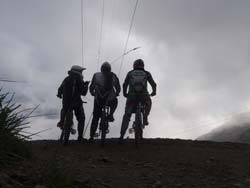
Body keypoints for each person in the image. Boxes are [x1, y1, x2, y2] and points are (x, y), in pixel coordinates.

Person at [119, 59, 157, 143]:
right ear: (143, 66)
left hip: (131, 96)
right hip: (144, 96)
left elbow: (124, 84)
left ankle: (121, 136)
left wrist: (125, 93)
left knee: (127, 116)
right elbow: (153, 84)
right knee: (148, 102)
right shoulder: (147, 73)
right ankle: (145, 117)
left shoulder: (130, 73)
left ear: (134, 65)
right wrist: (154, 92)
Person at [89, 62, 121, 141]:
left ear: (101, 68)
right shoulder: (113, 75)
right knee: (115, 101)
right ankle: (110, 115)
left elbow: (91, 86)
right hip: (110, 100)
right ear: (110, 69)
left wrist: (92, 92)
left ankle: (91, 136)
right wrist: (117, 93)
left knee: (95, 118)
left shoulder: (96, 75)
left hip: (98, 99)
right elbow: (118, 87)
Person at [57, 65, 89, 142]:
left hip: (66, 103)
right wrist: (86, 85)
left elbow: (60, 89)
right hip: (76, 103)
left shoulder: (66, 79)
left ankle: (62, 121)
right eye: (81, 71)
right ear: (78, 71)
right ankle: (80, 137)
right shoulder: (79, 79)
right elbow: (84, 93)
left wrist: (59, 95)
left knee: (64, 109)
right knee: (81, 119)